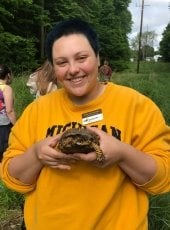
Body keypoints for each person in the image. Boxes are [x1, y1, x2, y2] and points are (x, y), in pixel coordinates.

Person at [1, 19, 170, 230]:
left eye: (81, 58)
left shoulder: (136, 105)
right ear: (53, 67)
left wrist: (122, 153)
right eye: (62, 63)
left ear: (98, 57)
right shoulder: (37, 110)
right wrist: (36, 154)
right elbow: (11, 177)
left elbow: (163, 179)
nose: (73, 69)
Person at [0, 64, 16, 162]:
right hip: (3, 125)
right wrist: (16, 125)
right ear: (8, 75)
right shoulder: (6, 88)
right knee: (4, 149)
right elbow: (9, 110)